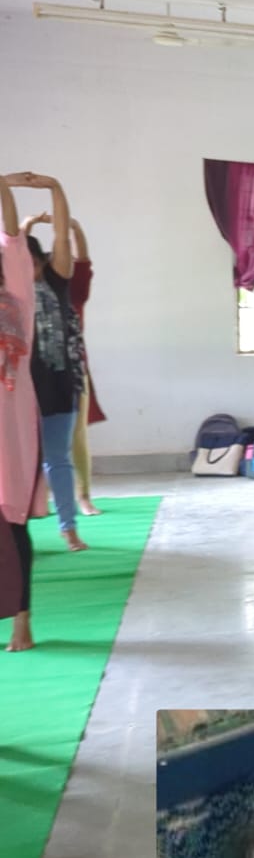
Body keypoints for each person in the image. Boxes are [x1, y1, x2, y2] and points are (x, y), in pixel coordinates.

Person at [14, 175, 86, 553]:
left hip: (57, 386)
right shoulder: (10, 290)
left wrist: (55, 188)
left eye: (31, 263)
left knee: (57, 459)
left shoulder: (56, 281)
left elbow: (61, 239)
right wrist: (22, 226)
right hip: (18, 390)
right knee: (15, 465)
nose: (26, 270)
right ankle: (15, 531)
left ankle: (68, 527)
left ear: (41, 263)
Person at [0, 174, 47, 651]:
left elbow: (12, 236)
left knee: (13, 527)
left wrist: (1, 185)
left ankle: (22, 620)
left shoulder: (15, 297)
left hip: (9, 432)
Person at [61, 217, 104, 517]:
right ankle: (39, 498)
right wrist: (24, 229)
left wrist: (74, 229)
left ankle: (84, 496)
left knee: (77, 436)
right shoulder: (31, 291)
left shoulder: (74, 291)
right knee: (38, 438)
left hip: (75, 370)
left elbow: (83, 261)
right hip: (36, 373)